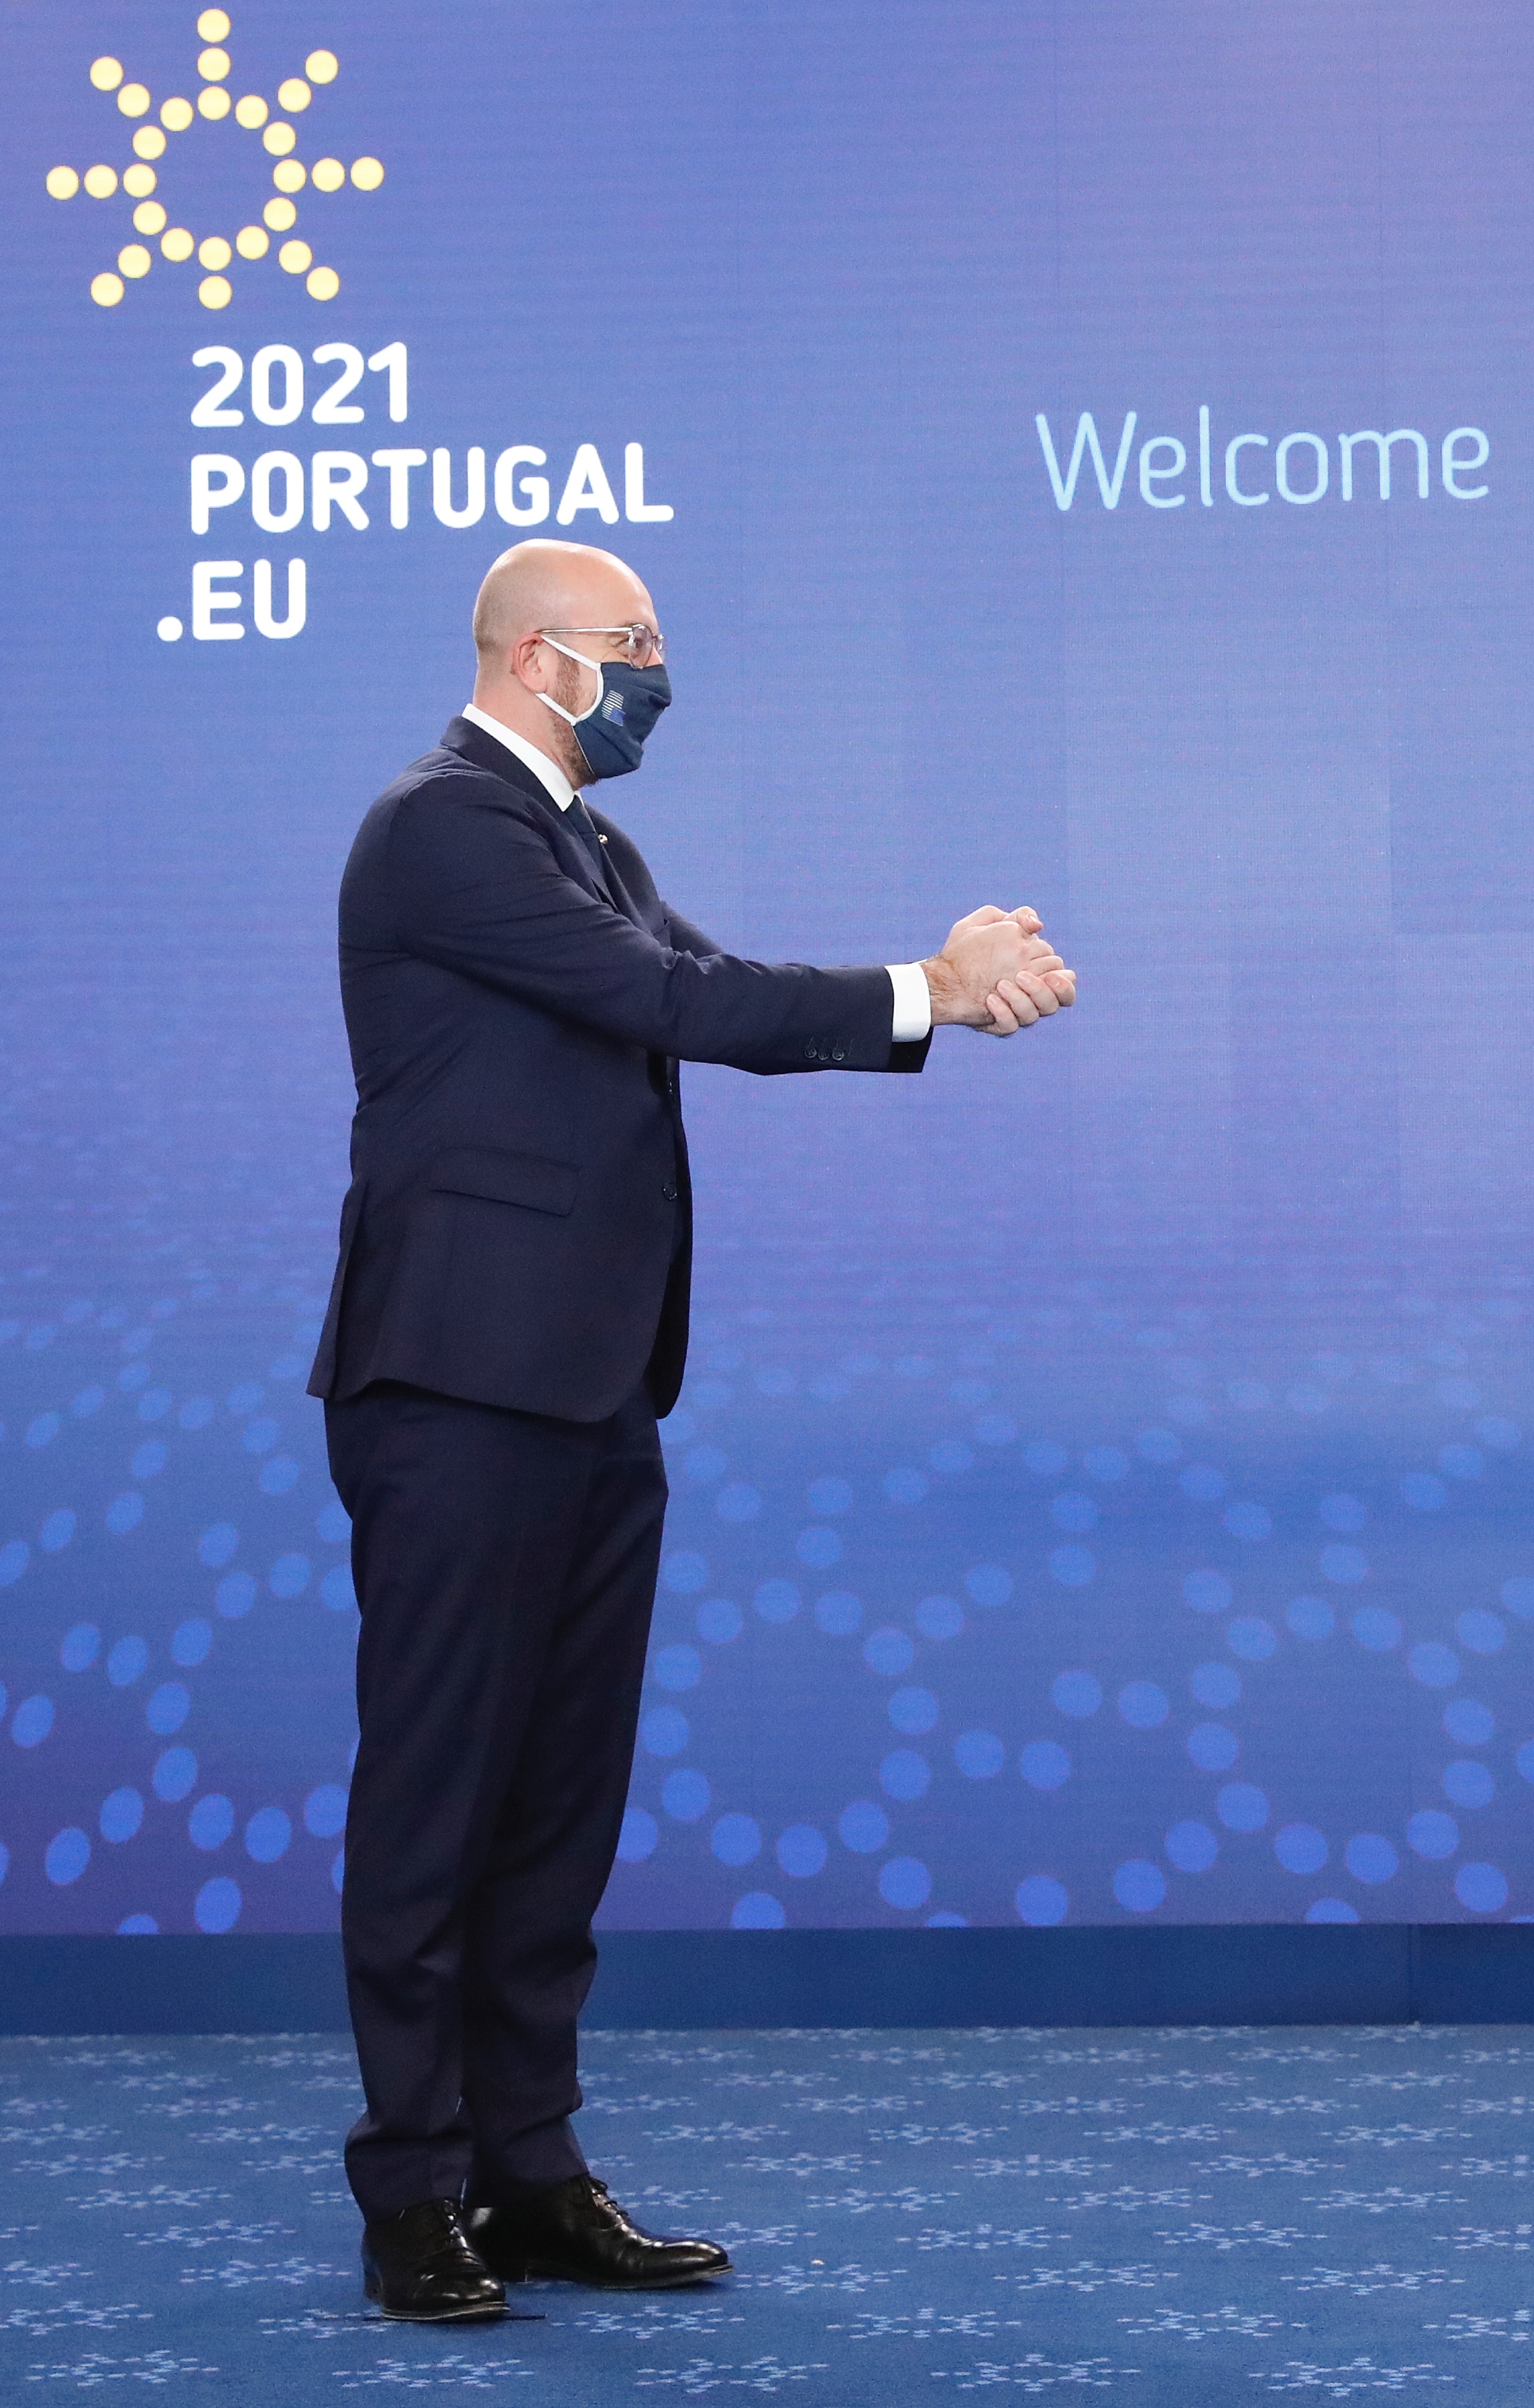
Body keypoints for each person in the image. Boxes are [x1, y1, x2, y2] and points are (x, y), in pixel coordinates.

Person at [313, 539, 1077, 2321]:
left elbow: (716, 989)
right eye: (630, 645)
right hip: (456, 1387)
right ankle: (411, 2188)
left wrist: (928, 999)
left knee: (557, 1809)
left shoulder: (591, 841)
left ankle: (530, 2165)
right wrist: (931, 980)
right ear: (529, 657)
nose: (659, 673)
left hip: (590, 1388)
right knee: (438, 1801)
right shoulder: (441, 823)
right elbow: (668, 1004)